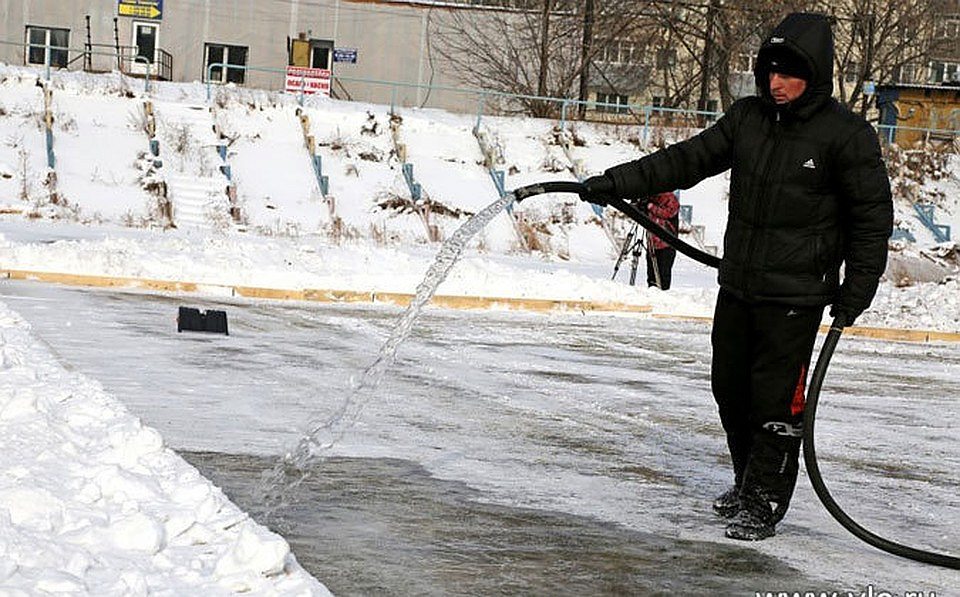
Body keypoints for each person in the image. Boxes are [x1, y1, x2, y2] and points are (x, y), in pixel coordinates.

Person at [579, 12, 892, 540]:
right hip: (740, 286)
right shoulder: (749, 118)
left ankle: (763, 500)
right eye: (770, 71)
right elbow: (688, 158)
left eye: (789, 73)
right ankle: (746, 480)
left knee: (775, 401)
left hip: (796, 296)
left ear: (814, 74)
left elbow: (871, 219)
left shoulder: (845, 135)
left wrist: (858, 287)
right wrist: (617, 182)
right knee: (729, 389)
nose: (775, 82)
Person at [643, 191, 680, 289]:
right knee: (651, 276)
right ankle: (652, 293)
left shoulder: (670, 198)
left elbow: (669, 213)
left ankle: (663, 297)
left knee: (663, 276)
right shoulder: (651, 199)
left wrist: (650, 207)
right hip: (652, 244)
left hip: (667, 244)